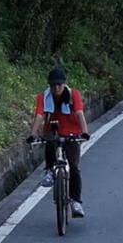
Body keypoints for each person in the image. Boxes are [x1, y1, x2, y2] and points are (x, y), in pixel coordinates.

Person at [30, 67, 90, 217]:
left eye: (59, 84)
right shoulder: (43, 97)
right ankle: (49, 170)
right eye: (53, 85)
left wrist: (85, 132)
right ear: (49, 85)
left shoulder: (73, 94)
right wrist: (32, 135)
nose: (56, 88)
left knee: (74, 167)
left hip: (72, 131)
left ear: (64, 84)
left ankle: (76, 201)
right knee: (50, 140)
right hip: (53, 129)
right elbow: (39, 115)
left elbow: (79, 113)